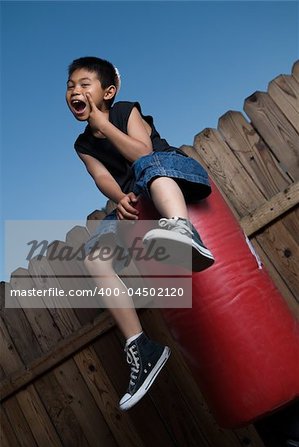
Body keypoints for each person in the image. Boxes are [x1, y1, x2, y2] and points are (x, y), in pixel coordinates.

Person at [66, 56, 214, 411]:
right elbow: (102, 177)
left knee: (147, 166)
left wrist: (105, 121)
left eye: (85, 84)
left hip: (172, 173)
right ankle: (140, 347)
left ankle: (182, 227)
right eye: (70, 86)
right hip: (135, 193)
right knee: (94, 256)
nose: (75, 90)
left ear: (109, 92)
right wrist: (120, 199)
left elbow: (142, 152)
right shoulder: (83, 145)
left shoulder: (126, 111)